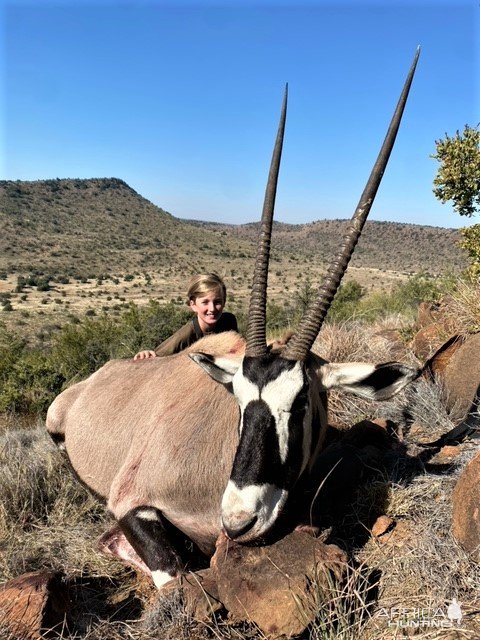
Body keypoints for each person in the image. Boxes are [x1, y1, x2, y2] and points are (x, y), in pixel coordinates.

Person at [133, 273, 238, 360]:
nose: (212, 308)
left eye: (217, 302)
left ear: (224, 302)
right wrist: (146, 353)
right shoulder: (185, 336)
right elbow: (157, 356)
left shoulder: (229, 321)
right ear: (193, 305)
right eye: (205, 302)